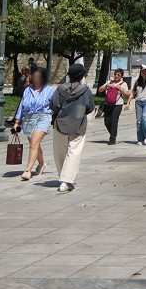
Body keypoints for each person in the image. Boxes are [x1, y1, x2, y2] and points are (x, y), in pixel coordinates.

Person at [50, 63, 96, 193]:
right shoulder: (85, 90)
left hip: (60, 124)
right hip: (78, 125)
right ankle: (66, 180)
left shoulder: (59, 89)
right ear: (81, 77)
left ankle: (62, 177)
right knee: (73, 153)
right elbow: (90, 107)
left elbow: (53, 105)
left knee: (60, 153)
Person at [14, 68, 54, 179]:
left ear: (43, 78)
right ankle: (42, 164)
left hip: (42, 117)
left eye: (38, 77)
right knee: (34, 144)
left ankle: (28, 170)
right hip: (28, 119)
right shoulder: (27, 90)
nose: (35, 79)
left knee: (34, 144)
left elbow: (56, 105)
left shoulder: (50, 90)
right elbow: (21, 105)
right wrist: (17, 121)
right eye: (34, 76)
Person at [97, 69, 131, 145]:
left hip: (117, 104)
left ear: (121, 76)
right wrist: (107, 85)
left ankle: (113, 138)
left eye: (118, 75)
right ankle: (113, 133)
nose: (116, 76)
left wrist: (121, 89)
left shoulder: (123, 84)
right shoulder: (109, 82)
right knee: (107, 122)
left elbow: (127, 95)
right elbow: (100, 89)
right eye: (115, 74)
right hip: (108, 104)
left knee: (114, 121)